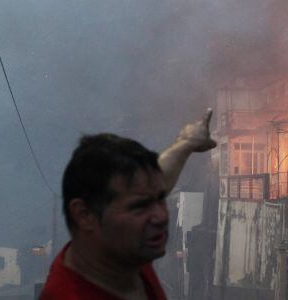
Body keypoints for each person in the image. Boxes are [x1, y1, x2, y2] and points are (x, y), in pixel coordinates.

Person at [40, 109, 216, 300]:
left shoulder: (120, 255)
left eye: (160, 198)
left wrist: (186, 143)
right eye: (140, 206)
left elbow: (157, 180)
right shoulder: (72, 295)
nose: (161, 216)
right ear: (84, 215)